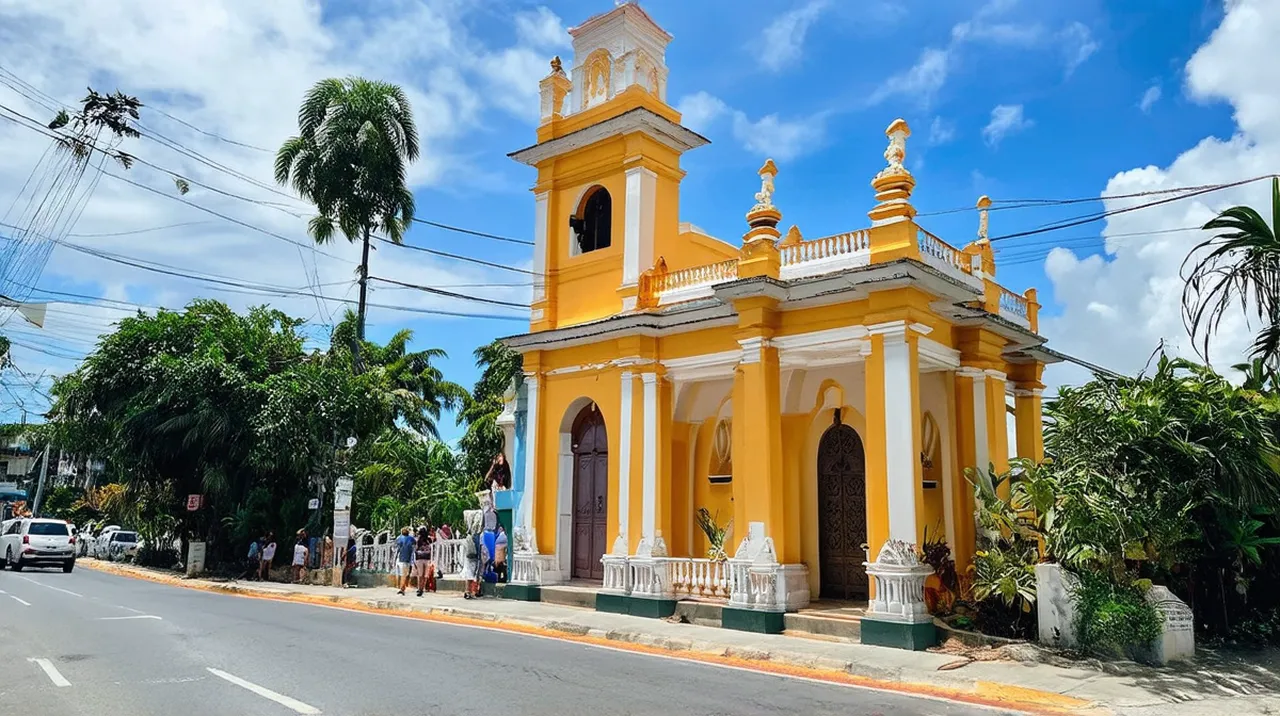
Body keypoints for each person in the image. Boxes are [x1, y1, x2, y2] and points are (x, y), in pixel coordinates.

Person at [394, 526, 416, 596]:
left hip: (400, 559)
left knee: (401, 574)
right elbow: (415, 546)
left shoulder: (399, 538)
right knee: (404, 575)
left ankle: (401, 588)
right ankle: (402, 588)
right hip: (407, 559)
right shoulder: (411, 539)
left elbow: (396, 548)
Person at [414, 526, 434, 596]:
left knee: (420, 574)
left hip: (419, 558)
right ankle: (422, 588)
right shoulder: (429, 539)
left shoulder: (418, 540)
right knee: (425, 575)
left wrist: (415, 560)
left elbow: (415, 550)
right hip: (427, 558)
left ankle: (419, 588)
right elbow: (434, 541)